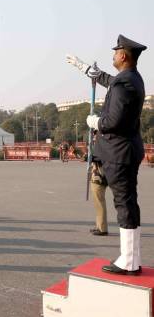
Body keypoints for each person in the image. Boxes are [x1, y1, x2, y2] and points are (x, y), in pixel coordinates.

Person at [68, 34, 147, 275]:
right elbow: (110, 81)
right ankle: (131, 257)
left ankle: (130, 261)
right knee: (127, 202)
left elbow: (114, 121)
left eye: (115, 52)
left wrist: (96, 122)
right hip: (126, 150)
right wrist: (86, 70)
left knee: (124, 203)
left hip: (119, 152)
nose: (113, 55)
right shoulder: (130, 79)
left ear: (123, 56)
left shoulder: (125, 83)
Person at [90, 156, 108, 236]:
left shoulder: (103, 144)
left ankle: (102, 228)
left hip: (100, 174)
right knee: (97, 203)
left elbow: (98, 157)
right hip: (98, 172)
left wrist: (91, 157)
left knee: (99, 202)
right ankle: (99, 226)